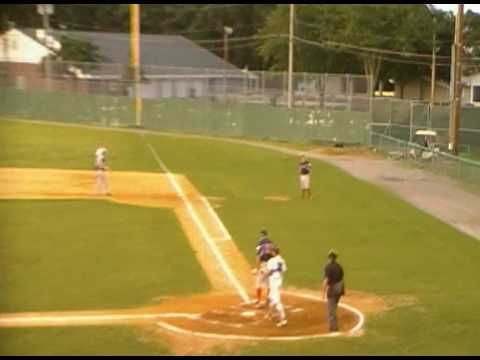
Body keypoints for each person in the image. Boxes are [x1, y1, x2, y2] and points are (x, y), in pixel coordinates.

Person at [264, 247, 288, 327]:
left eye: (272, 251)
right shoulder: (282, 260)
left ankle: (283, 319)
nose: (271, 252)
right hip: (279, 281)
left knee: (276, 301)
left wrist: (263, 274)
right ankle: (269, 314)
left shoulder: (272, 261)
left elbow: (268, 272)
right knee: (271, 297)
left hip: (273, 282)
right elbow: (283, 270)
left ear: (274, 252)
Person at [323, 250, 345, 332]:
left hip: (332, 289)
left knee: (331, 309)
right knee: (334, 306)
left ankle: (333, 327)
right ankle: (333, 324)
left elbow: (326, 280)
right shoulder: (339, 266)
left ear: (329, 258)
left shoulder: (327, 267)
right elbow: (342, 278)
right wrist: (342, 289)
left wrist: (323, 292)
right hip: (339, 288)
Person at [253, 230, 275, 306]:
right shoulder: (271, 243)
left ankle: (258, 300)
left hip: (263, 265)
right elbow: (274, 255)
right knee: (269, 284)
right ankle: (268, 300)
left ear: (261, 235)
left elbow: (258, 257)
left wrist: (257, 268)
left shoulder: (260, 244)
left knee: (258, 282)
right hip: (271, 266)